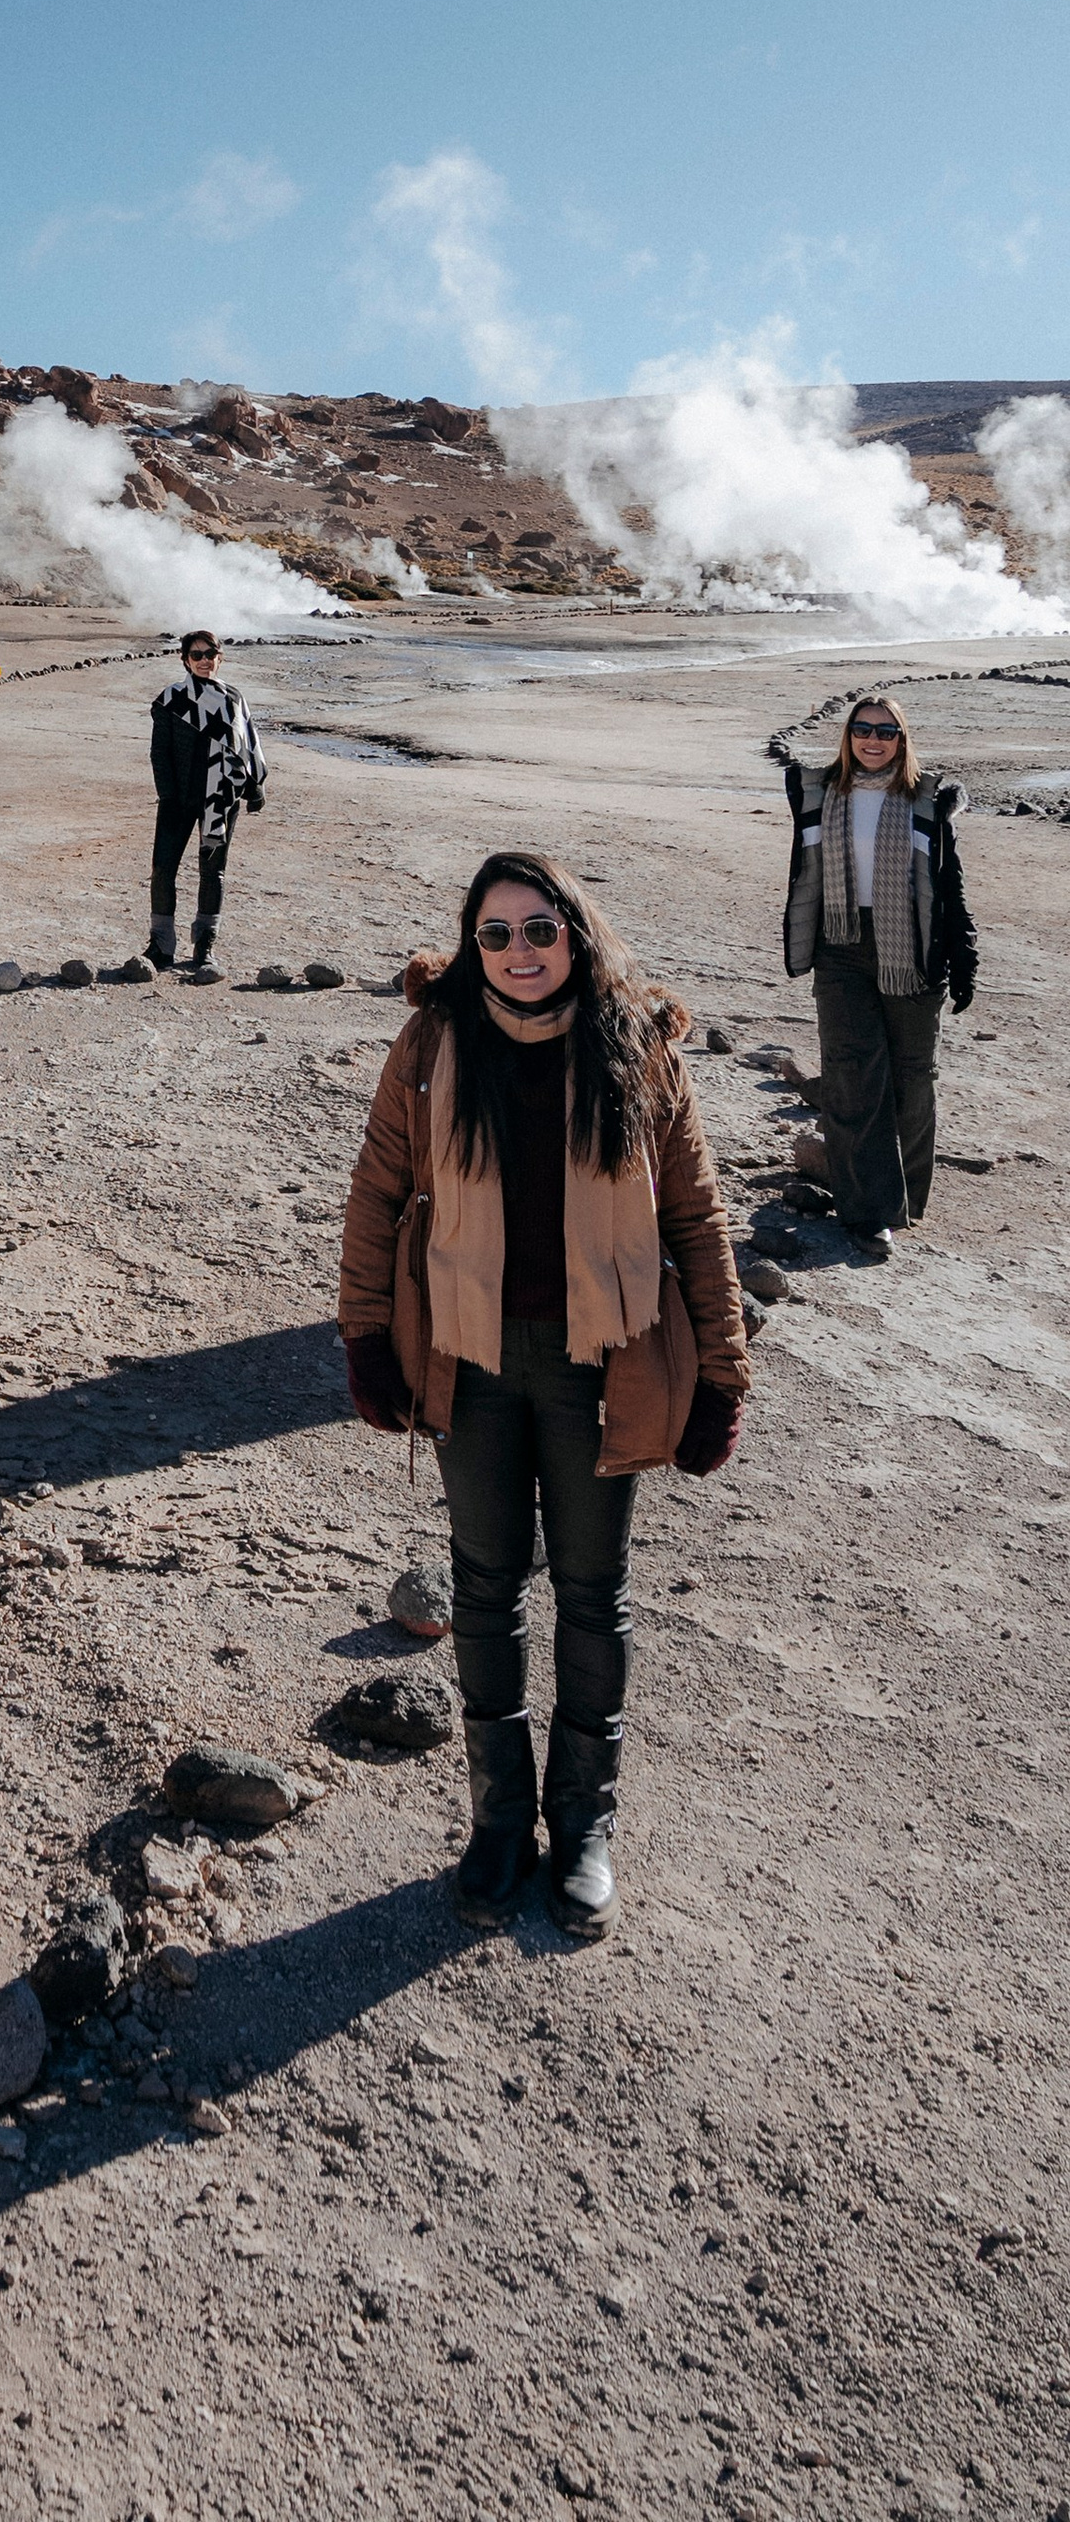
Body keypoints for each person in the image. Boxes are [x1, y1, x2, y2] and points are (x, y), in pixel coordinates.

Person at [336, 852, 750, 1942]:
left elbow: (696, 1223)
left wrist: (722, 1375)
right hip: (471, 1359)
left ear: (575, 931)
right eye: (494, 935)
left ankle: (583, 1829)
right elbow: (378, 1193)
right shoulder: (432, 1043)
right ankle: (496, 1823)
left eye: (538, 930)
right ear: (470, 946)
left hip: (594, 1363)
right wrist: (367, 1338)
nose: (519, 953)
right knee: (482, 1589)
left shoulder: (638, 1049)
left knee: (591, 1593)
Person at [783, 693, 974, 1262]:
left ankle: (905, 1197)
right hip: (840, 947)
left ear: (902, 739)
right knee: (851, 1075)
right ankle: (868, 1212)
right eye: (863, 728)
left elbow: (949, 883)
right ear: (847, 736)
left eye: (886, 731)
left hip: (910, 949)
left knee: (913, 1078)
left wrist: (963, 958)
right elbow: (804, 872)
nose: (873, 739)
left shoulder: (927, 801)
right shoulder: (821, 792)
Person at [146, 629, 263, 970]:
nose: (203, 661)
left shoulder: (233, 699)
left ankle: (204, 946)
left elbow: (248, 746)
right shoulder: (170, 700)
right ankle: (161, 946)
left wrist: (255, 786)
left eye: (209, 654)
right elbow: (159, 752)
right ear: (184, 660)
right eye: (195, 655)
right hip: (177, 799)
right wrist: (167, 794)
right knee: (162, 870)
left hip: (220, 800)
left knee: (213, 873)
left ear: (219, 657)